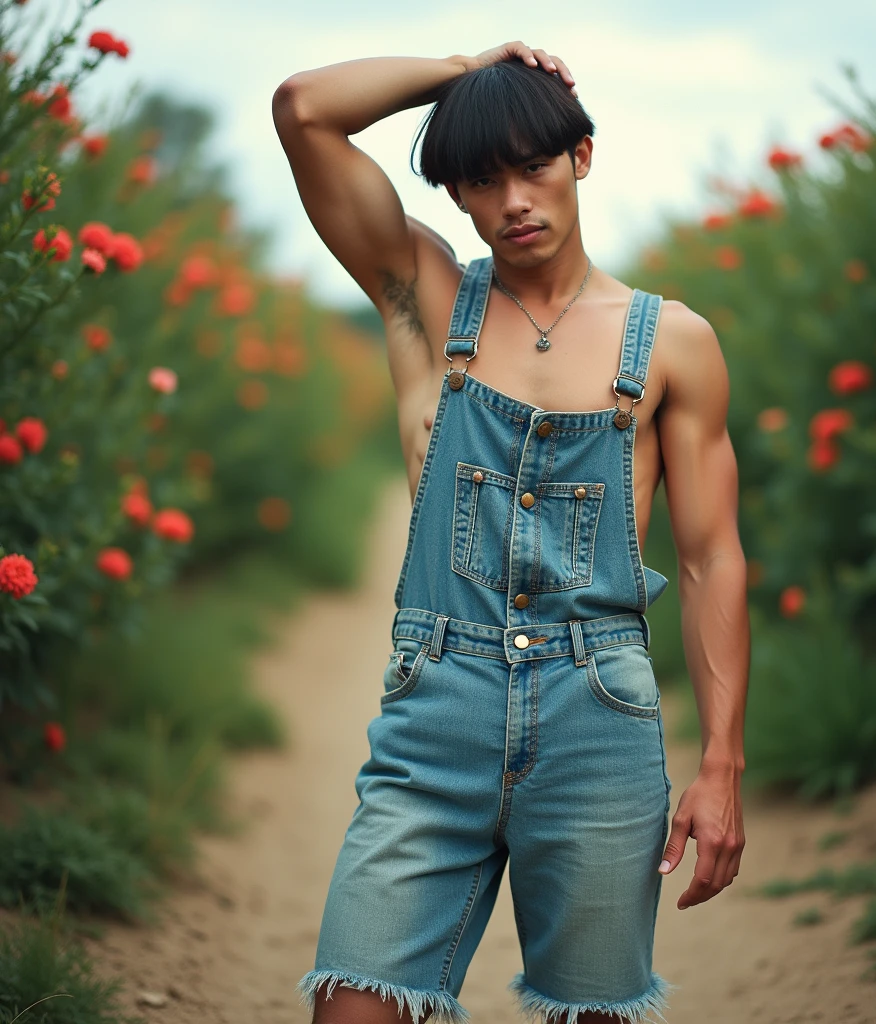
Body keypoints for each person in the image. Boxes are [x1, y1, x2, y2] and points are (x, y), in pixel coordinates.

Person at [272, 40, 749, 1024]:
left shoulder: (672, 342)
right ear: (457, 196)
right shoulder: (423, 298)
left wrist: (720, 764)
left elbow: (708, 559)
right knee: (352, 1004)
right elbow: (303, 108)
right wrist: (466, 70)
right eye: (481, 180)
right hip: (435, 710)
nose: (513, 200)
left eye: (533, 163)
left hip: (597, 718)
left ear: (581, 155)